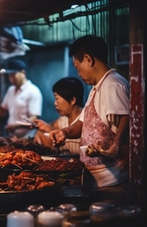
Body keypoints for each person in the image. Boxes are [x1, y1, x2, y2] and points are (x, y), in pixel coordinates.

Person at [49, 35, 130, 205]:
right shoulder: (96, 88)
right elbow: (82, 122)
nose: (78, 74)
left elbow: (127, 118)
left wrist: (116, 145)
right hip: (95, 184)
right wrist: (64, 132)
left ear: (88, 59)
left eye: (78, 68)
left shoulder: (113, 84)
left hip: (112, 185)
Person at [0, 59, 43, 138]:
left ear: (23, 73)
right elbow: (3, 111)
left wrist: (17, 125)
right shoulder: (11, 90)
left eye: (13, 75)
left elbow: (34, 118)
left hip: (28, 137)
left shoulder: (33, 91)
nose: (11, 79)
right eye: (9, 76)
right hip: (12, 136)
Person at [32, 77, 84, 154]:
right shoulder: (62, 120)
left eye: (57, 99)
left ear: (72, 100)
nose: (55, 103)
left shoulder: (87, 119)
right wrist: (45, 127)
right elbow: (52, 130)